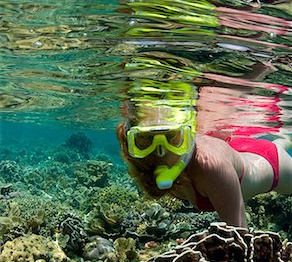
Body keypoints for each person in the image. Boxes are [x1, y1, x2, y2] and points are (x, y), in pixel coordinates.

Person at [116, 82, 292, 228]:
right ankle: (283, 139)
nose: (161, 152)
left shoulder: (213, 167)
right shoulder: (143, 162)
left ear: (188, 135)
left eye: (172, 137)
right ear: (131, 141)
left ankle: (282, 140)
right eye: (146, 138)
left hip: (270, 162)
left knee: (277, 148)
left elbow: (241, 240)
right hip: (236, 148)